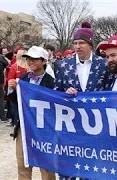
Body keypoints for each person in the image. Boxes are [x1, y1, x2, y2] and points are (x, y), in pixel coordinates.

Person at [54, 21, 111, 180]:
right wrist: (65, 93)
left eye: (82, 43)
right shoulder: (63, 65)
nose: (78, 46)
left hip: (96, 123)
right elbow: (55, 91)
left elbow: (111, 92)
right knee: (68, 165)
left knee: (93, 166)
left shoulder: (103, 64)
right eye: (75, 43)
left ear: (90, 44)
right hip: (70, 124)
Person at [8, 46, 56, 180]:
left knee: (47, 168)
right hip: (25, 128)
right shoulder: (23, 79)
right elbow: (18, 103)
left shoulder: (52, 82)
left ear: (44, 61)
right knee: (23, 166)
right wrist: (12, 91)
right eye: (29, 59)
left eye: (35, 59)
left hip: (44, 130)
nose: (30, 62)